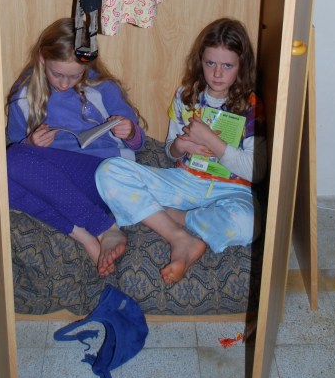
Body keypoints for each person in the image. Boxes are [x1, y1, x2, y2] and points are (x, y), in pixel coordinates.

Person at [95, 17, 267, 284]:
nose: (217, 74)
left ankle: (175, 217)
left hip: (232, 189)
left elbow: (256, 171)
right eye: (210, 63)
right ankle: (180, 237)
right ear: (200, 61)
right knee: (108, 172)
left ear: (241, 66)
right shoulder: (187, 95)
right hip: (186, 181)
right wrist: (181, 146)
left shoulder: (251, 104)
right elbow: (169, 152)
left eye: (227, 66)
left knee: (249, 224)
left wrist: (211, 140)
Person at [6, 17, 146, 276]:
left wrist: (129, 132)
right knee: (1, 180)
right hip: (64, 187)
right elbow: (14, 144)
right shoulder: (24, 95)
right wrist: (30, 143)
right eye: (57, 74)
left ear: (86, 66)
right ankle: (84, 235)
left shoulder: (101, 87)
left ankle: (104, 228)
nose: (63, 83)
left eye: (74, 76)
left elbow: (139, 142)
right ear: (41, 59)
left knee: (10, 163)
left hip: (108, 176)